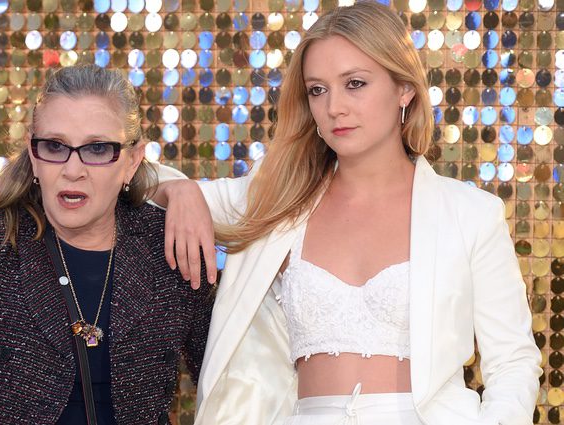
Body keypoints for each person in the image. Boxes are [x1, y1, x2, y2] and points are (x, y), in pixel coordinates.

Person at [153, 3, 541, 424]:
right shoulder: (278, 200)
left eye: (354, 83)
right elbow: (132, 178)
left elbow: (514, 363)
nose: (334, 106)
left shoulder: (472, 215)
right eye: (318, 89)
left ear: (404, 89)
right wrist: (181, 190)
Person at [0, 65, 213, 425]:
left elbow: (227, 385)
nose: (73, 170)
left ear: (132, 161)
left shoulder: (169, 245)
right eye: (55, 146)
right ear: (33, 154)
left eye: (98, 148)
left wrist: (183, 188)